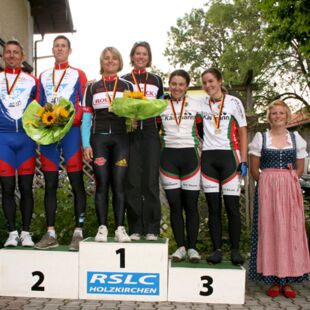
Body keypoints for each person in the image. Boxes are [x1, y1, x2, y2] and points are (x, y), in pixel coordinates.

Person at [248, 100, 310, 298]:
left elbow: (300, 168)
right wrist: (268, 182)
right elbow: (254, 169)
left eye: (281, 113)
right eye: (274, 113)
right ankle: (274, 279)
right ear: (269, 117)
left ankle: (289, 280)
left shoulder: (296, 138)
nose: (277, 116)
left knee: (290, 231)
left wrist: (287, 182)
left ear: (287, 115)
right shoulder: (261, 138)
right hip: (267, 188)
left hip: (290, 188)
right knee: (270, 230)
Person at [35, 35, 87, 251]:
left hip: (71, 132)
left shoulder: (78, 74)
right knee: (50, 183)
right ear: (53, 49)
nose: (59, 49)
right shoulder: (44, 75)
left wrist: (68, 120)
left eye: (63, 46)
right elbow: (38, 105)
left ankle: (78, 232)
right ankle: (50, 233)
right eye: (56, 46)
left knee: (76, 181)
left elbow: (84, 105)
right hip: (49, 133)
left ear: (69, 50)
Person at [81, 47, 133, 243]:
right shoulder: (92, 87)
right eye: (106, 59)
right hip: (99, 139)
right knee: (102, 184)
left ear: (119, 62)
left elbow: (134, 113)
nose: (110, 62)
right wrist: (86, 144)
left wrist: (134, 120)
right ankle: (102, 227)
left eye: (114, 59)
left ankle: (120, 228)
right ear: (101, 62)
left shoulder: (128, 86)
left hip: (121, 139)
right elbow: (86, 119)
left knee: (119, 184)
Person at [200, 68, 247, 265]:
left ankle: (235, 250)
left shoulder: (234, 102)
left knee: (232, 207)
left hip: (230, 157)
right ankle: (217, 249)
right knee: (213, 208)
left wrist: (243, 160)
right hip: (208, 159)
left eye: (211, 81)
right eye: (204, 82)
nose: (208, 85)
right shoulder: (200, 102)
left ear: (220, 81)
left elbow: (243, 131)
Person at [122, 41, 164, 241]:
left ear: (149, 58)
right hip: (129, 131)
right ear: (131, 57)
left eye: (144, 54)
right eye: (137, 53)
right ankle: (136, 227)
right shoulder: (123, 80)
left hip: (149, 131)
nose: (140, 57)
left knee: (150, 181)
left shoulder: (156, 80)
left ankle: (153, 228)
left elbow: (161, 107)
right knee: (132, 182)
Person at [159, 70, 202, 262]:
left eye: (181, 84)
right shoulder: (160, 104)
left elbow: (206, 129)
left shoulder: (196, 104)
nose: (177, 87)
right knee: (175, 206)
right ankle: (181, 247)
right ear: (169, 84)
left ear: (187, 86)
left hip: (190, 158)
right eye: (173, 84)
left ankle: (193, 248)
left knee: (191, 205)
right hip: (168, 158)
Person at [0, 40, 39, 247]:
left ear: (22, 57)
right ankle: (12, 232)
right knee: (6, 187)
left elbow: (41, 108)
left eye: (16, 52)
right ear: (3, 56)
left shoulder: (32, 81)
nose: (12, 55)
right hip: (2, 139)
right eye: (8, 52)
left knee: (25, 187)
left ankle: (26, 232)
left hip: (25, 139)